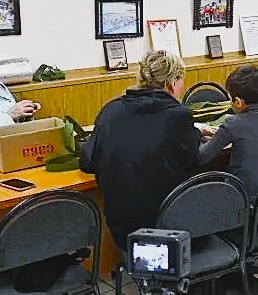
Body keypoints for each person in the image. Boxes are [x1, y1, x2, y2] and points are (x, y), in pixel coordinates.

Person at [80, 50, 202, 248]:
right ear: (172, 83)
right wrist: (195, 133)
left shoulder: (111, 109)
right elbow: (192, 160)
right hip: (166, 224)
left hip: (122, 227)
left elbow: (87, 162)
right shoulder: (179, 115)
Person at [198, 65, 258, 198]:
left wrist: (198, 131)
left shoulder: (232, 124)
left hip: (239, 194)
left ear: (238, 102)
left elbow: (202, 156)